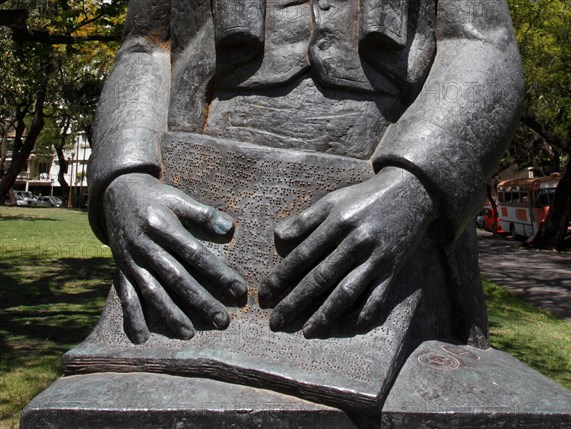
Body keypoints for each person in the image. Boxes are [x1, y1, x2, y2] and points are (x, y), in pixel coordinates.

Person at [88, 0, 524, 345]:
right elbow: (145, 46)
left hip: (395, 211)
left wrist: (413, 185)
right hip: (195, 207)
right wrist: (125, 178)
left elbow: (483, 44)